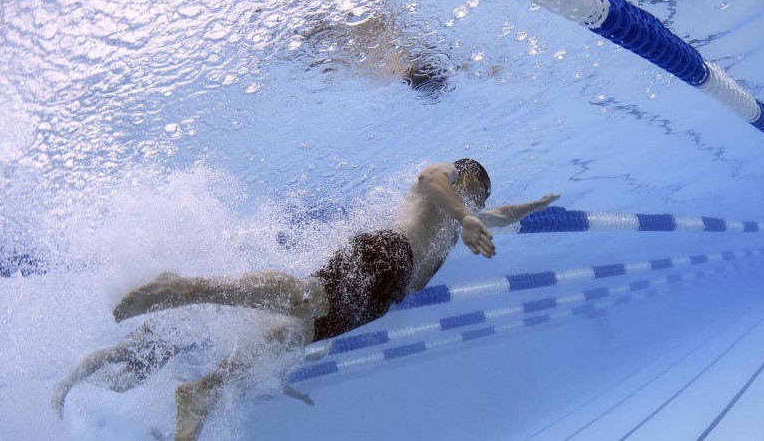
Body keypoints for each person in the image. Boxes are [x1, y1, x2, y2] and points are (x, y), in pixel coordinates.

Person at [110, 159, 559, 440]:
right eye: (474, 192)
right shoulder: (445, 178)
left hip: (385, 294)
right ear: (463, 178)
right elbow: (427, 180)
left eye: (479, 199)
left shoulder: (471, 211)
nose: (477, 202)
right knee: (307, 299)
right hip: (386, 253)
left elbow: (498, 215)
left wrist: (533, 207)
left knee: (290, 336)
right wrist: (463, 213)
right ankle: (186, 288)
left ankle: (202, 389)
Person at [52, 321, 211, 419]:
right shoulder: (210, 313)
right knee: (115, 354)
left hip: (165, 351)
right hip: (158, 331)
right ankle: (66, 384)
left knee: (119, 386)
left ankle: (81, 373)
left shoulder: (220, 335)